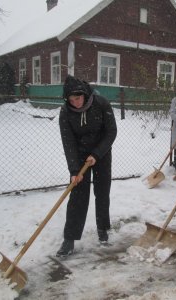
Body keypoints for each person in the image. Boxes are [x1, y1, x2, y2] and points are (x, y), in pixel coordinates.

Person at [57, 75, 117, 257]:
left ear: (84, 93)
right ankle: (69, 238)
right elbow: (68, 143)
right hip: (80, 155)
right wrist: (75, 170)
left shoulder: (101, 103)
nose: (75, 103)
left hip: (102, 153)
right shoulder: (65, 112)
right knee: (77, 196)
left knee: (102, 191)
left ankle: (102, 228)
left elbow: (111, 132)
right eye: (71, 100)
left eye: (77, 98)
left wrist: (97, 154)